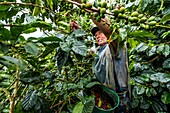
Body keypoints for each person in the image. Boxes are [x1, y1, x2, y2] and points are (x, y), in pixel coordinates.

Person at [71, 1, 130, 113]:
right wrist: (77, 32)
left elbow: (111, 32)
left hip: (119, 97)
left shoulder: (116, 47)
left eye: (100, 33)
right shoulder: (97, 50)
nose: (98, 37)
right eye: (96, 36)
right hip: (105, 94)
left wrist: (91, 11)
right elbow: (85, 51)